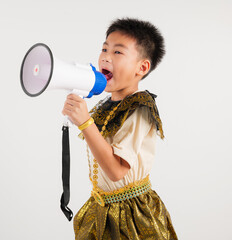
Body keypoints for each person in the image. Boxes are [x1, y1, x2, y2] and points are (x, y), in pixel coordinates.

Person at [62, 18, 178, 240]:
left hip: (132, 214)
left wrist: (86, 122)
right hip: (101, 207)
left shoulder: (140, 108)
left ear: (142, 67)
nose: (106, 56)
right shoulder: (106, 104)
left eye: (118, 52)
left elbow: (116, 172)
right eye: (104, 48)